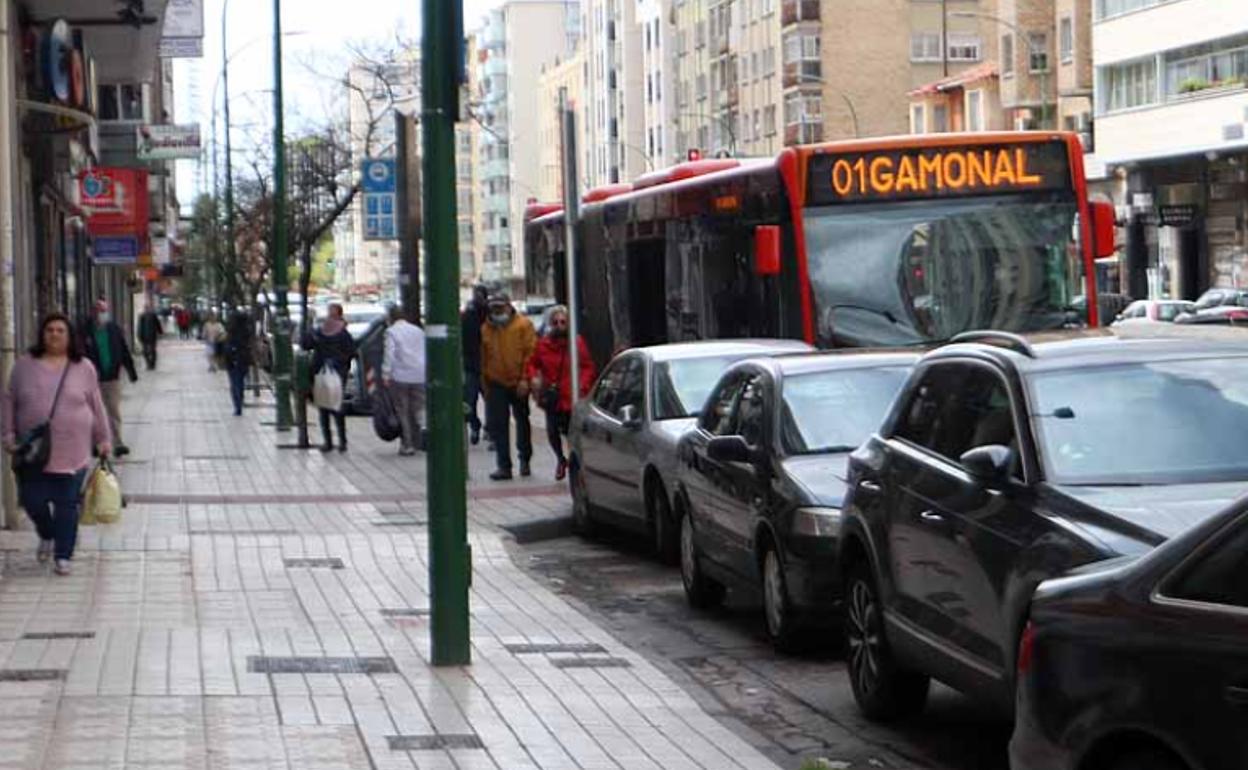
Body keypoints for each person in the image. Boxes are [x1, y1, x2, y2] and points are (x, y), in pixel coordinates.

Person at [1, 314, 111, 575]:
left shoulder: (83, 367)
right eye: (49, 330)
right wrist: (8, 434)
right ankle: (47, 533)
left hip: (73, 450)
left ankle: (63, 554)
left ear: (69, 336)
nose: (54, 335)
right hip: (34, 452)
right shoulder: (23, 366)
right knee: (32, 501)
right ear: (42, 334)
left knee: (67, 504)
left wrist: (104, 438)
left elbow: (96, 405)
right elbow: (9, 402)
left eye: (60, 330)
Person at [525, 306, 595, 481]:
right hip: (554, 397)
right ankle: (560, 459)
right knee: (552, 431)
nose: (559, 325)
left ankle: (575, 464)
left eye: (563, 322)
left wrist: (582, 385)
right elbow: (532, 364)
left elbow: (587, 366)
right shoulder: (543, 345)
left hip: (573, 395)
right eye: (555, 322)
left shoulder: (577, 342)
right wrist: (533, 377)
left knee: (573, 432)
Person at [481, 291, 537, 480]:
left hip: (518, 381)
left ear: (508, 306)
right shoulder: (486, 329)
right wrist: (485, 384)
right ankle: (504, 465)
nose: (497, 311)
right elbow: (483, 357)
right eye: (494, 307)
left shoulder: (523, 325)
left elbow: (530, 354)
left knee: (522, 420)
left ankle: (525, 459)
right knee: (499, 425)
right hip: (496, 382)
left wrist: (525, 379)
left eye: (500, 307)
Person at [81, 299, 137, 458]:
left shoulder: (113, 329)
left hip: (112, 377)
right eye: (100, 311)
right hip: (92, 379)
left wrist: (131, 370)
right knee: (93, 412)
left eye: (105, 311)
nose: (103, 314)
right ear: (93, 312)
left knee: (113, 410)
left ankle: (117, 443)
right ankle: (95, 443)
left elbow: (123, 348)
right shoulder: (85, 330)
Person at [302, 303, 356, 452]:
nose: (330, 317)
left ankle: (341, 441)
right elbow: (306, 344)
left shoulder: (343, 334)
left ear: (339, 315)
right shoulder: (321, 331)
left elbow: (351, 352)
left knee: (334, 407)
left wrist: (339, 364)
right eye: (329, 314)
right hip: (321, 374)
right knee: (324, 408)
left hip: (336, 375)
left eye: (333, 314)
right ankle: (329, 441)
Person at [382, 306, 426, 456]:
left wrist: (386, 374)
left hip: (401, 375)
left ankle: (407, 444)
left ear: (391, 318)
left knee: (403, 411)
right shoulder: (418, 331)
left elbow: (390, 354)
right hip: (420, 374)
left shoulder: (391, 332)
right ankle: (418, 440)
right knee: (417, 409)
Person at [460, 283, 489, 445]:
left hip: (484, 365)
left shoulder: (489, 315)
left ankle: (486, 429)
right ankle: (476, 426)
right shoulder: (468, 316)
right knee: (469, 402)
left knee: (488, 402)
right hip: (473, 365)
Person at [223, 310, 253, 416]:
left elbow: (227, 345)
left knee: (235, 383)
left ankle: (237, 405)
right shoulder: (247, 331)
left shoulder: (232, 332)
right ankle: (239, 401)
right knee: (240, 382)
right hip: (243, 360)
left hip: (233, 360)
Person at [137, 302, 163, 371]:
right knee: (152, 350)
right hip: (152, 335)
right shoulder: (152, 315)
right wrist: (160, 332)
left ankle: (149, 364)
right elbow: (158, 324)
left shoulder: (142, 316)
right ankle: (152, 364)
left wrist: (139, 336)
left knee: (145, 351)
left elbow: (139, 327)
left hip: (145, 336)